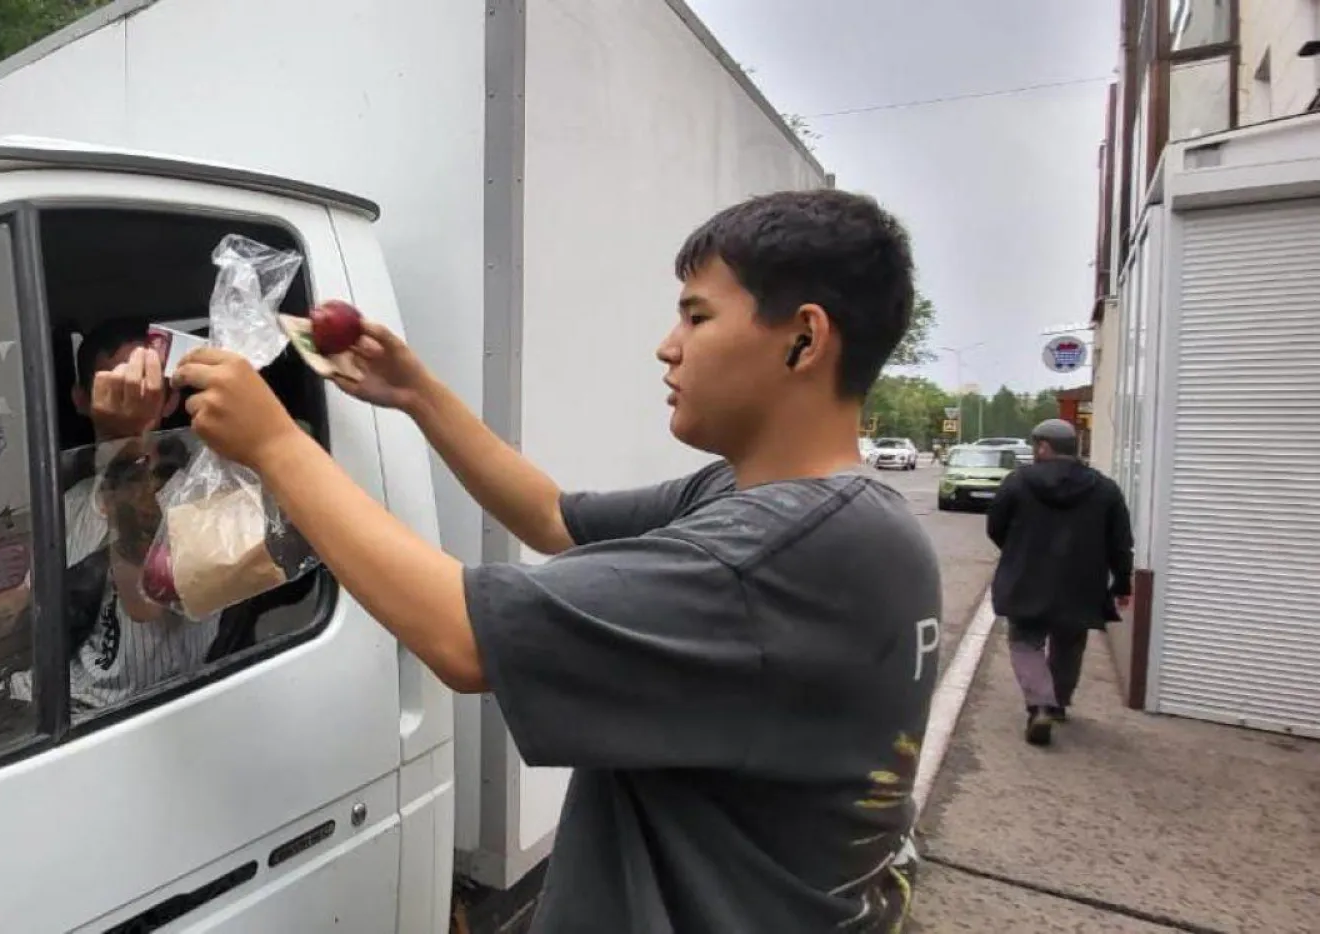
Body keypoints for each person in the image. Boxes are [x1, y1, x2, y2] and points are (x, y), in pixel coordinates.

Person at [176, 189, 942, 933]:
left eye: (697, 315)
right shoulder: (810, 513)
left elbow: (463, 639)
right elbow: (551, 518)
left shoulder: (779, 552)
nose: (667, 346)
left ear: (803, 339)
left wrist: (275, 446)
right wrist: (417, 393)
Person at [0, 320, 219, 785]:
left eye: (145, 381)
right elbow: (30, 599)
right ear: (81, 397)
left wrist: (123, 446)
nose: (131, 393)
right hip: (35, 699)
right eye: (113, 384)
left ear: (171, 396)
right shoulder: (69, 503)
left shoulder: (204, 490)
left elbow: (146, 600)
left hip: (116, 728)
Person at [986, 418, 1133, 747]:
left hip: (1027, 578)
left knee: (1025, 642)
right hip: (1081, 583)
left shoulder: (1018, 481)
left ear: (1043, 447)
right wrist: (1122, 583)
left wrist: (1017, 553)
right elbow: (1120, 542)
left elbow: (996, 525)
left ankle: (1040, 704)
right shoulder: (1104, 488)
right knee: (1069, 643)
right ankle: (1059, 704)